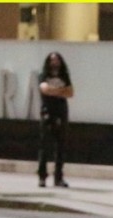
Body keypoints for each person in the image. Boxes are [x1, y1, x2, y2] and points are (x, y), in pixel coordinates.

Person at [37, 51, 74, 188]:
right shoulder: (43, 76)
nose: (54, 62)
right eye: (52, 60)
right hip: (47, 112)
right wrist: (60, 91)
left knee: (60, 147)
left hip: (61, 113)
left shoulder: (64, 76)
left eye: (57, 59)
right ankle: (42, 177)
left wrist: (55, 91)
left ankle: (58, 177)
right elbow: (44, 89)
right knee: (44, 146)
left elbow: (70, 92)